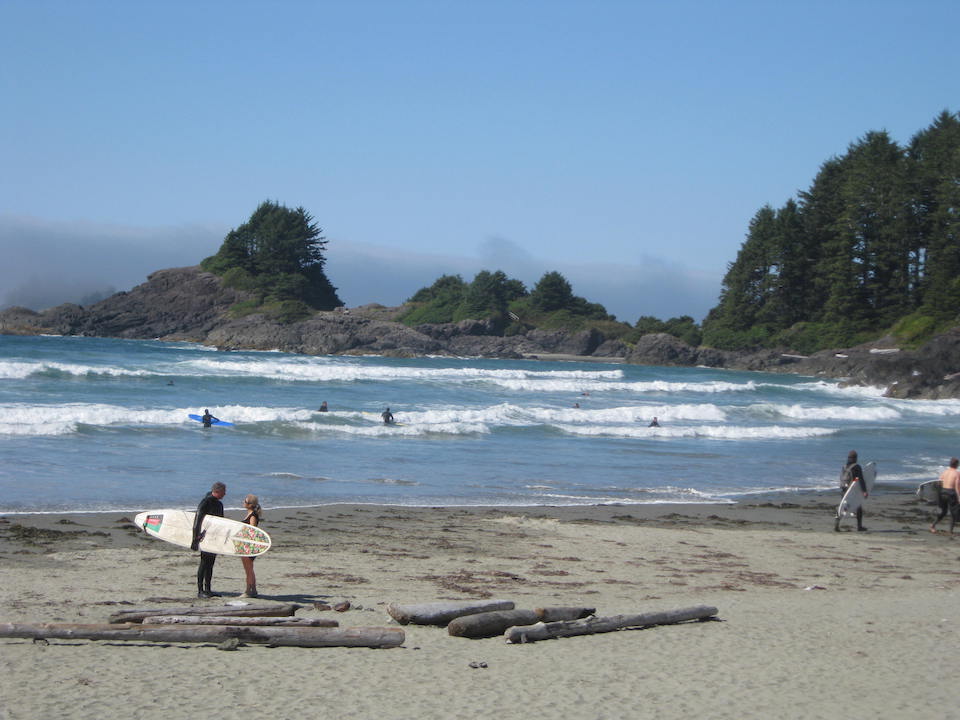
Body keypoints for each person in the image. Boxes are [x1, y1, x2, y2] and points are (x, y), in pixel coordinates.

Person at [192, 481, 226, 598]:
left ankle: (208, 589)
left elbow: (221, 523)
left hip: (214, 538)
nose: (225, 494)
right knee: (204, 563)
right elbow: (197, 521)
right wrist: (195, 539)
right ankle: (200, 590)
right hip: (204, 537)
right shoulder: (205, 502)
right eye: (224, 492)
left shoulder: (219, 504)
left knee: (210, 564)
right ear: (218, 491)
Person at [836, 450, 867, 532]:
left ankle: (837, 524)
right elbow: (861, 480)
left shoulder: (844, 466)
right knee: (858, 507)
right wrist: (864, 491)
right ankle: (859, 526)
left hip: (843, 490)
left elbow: (841, 478)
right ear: (855, 458)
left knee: (843, 507)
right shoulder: (857, 467)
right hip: (852, 491)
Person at [240, 494, 263, 597]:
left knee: (248, 569)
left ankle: (248, 591)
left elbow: (252, 531)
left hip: (249, 546)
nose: (243, 502)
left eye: (245, 501)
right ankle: (253, 590)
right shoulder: (250, 514)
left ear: (249, 504)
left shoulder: (252, 515)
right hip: (245, 545)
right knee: (249, 569)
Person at [931, 457, 960, 534]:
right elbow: (957, 487)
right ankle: (950, 531)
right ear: (957, 464)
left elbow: (939, 482)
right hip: (951, 493)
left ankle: (933, 525)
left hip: (943, 493)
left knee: (943, 512)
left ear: (950, 464)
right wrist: (959, 497)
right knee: (953, 513)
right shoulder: (957, 473)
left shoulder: (945, 472)